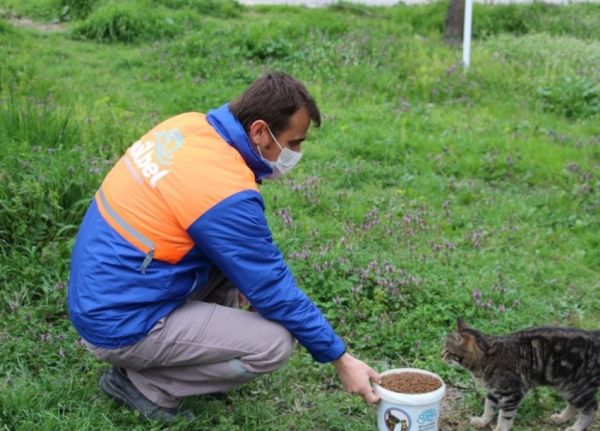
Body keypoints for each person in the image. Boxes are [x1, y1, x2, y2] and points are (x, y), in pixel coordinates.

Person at [67, 71, 381, 422]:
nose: (296, 153)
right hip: (120, 323)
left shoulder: (189, 125)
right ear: (260, 131)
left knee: (234, 268)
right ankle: (148, 386)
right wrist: (341, 358)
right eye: (294, 142)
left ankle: (189, 361)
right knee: (274, 344)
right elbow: (272, 287)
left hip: (105, 289)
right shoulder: (223, 193)